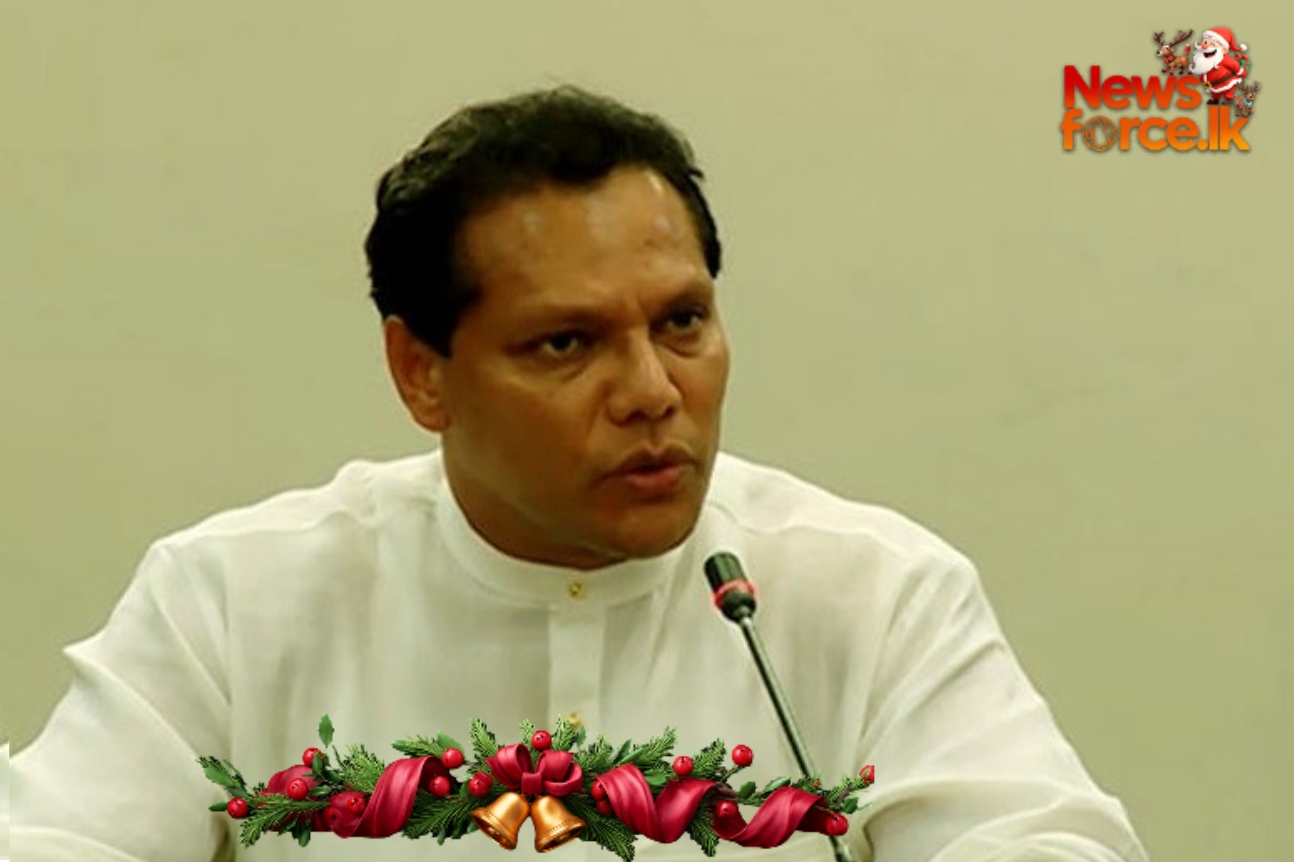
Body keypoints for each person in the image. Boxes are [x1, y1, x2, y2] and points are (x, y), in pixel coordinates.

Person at [11, 87, 1148, 861]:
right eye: (567, 342)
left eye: (682, 322)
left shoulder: (872, 594)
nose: (652, 390)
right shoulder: (232, 603)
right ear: (422, 373)